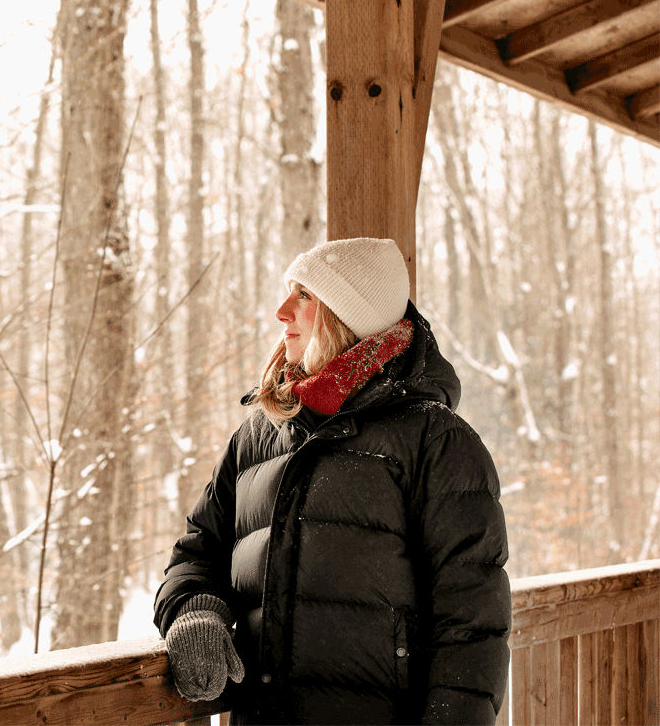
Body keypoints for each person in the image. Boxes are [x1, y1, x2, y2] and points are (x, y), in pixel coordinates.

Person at [154, 238, 510, 725]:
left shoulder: (435, 442)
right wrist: (194, 610)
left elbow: (473, 628)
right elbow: (197, 553)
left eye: (304, 296)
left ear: (348, 315)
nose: (282, 312)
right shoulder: (259, 435)